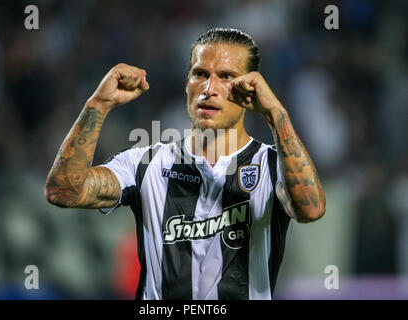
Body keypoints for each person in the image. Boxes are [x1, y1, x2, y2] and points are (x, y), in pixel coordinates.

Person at [45, 28, 326, 300]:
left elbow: (310, 209)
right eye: (200, 74)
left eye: (226, 77)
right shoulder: (144, 164)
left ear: (252, 87)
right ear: (187, 83)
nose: (209, 88)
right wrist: (98, 104)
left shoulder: (272, 165)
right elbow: (64, 191)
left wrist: (276, 113)